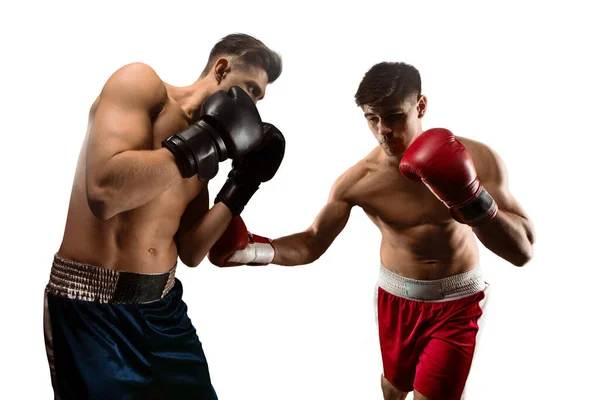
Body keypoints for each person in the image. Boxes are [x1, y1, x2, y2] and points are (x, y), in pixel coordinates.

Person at [208, 62, 536, 400]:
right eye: (372, 118)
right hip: (395, 301)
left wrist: (471, 199)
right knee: (394, 387)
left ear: (420, 106)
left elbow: (523, 249)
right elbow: (312, 242)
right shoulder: (360, 181)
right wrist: (254, 251)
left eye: (394, 116)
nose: (383, 131)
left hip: (457, 303)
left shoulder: (477, 159)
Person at [43, 33, 286, 400]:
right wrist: (207, 140)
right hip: (92, 312)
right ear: (221, 69)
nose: (252, 106)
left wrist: (242, 184)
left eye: (258, 98)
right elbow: (105, 193)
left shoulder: (208, 150)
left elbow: (190, 250)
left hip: (165, 312)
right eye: (250, 90)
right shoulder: (140, 84)